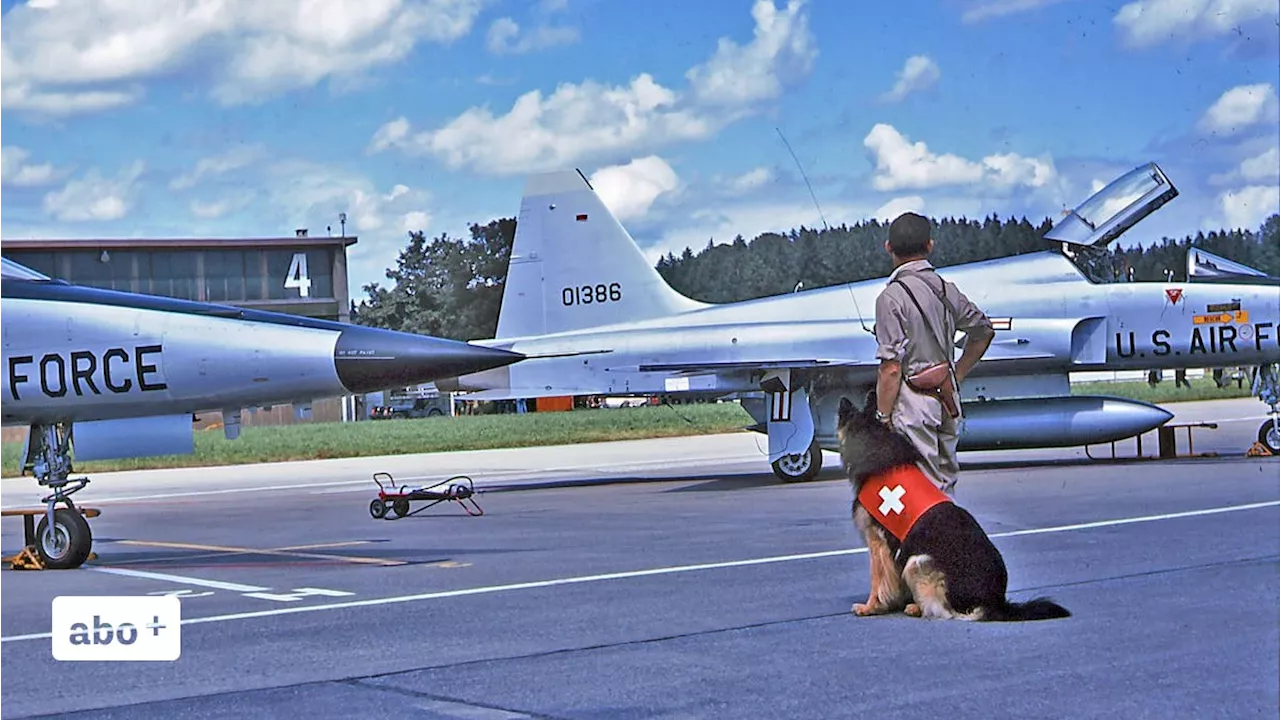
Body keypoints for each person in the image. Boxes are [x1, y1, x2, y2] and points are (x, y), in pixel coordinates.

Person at [873, 212, 995, 496]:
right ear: (930, 245)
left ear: (888, 247)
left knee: (922, 491)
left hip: (913, 404)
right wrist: (957, 374)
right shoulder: (946, 289)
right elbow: (984, 331)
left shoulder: (890, 297)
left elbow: (891, 368)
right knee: (946, 486)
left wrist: (882, 417)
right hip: (947, 398)